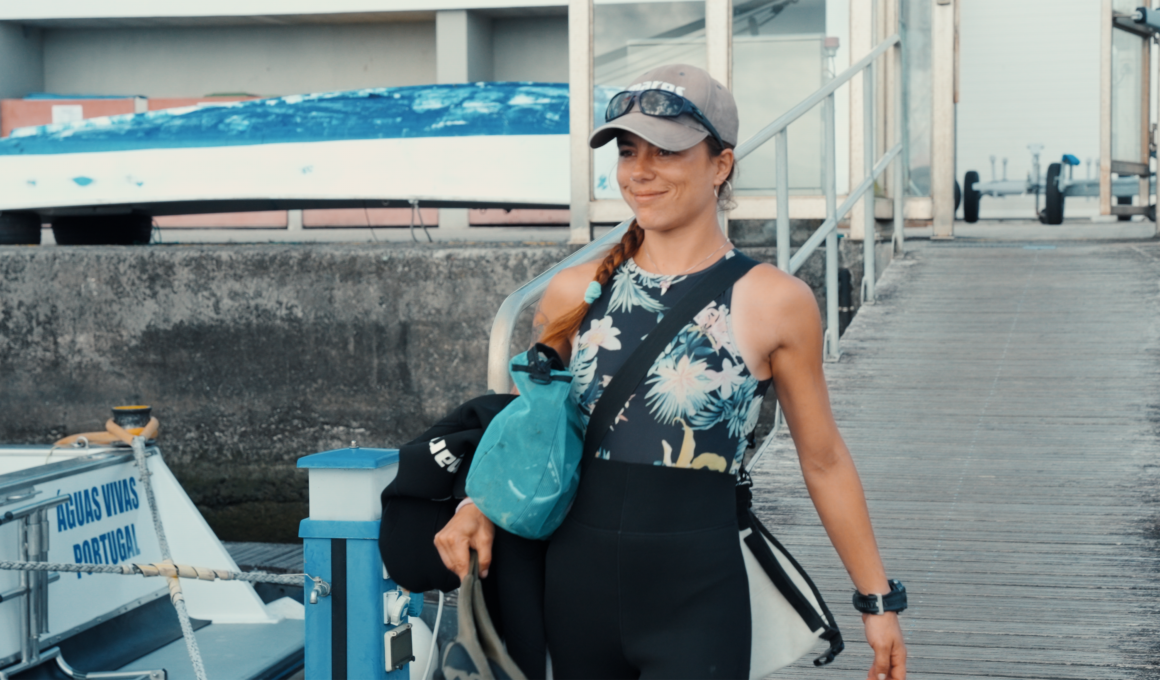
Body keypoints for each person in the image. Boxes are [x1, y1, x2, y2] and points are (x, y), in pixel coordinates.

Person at [435, 64, 906, 680]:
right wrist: (481, 503)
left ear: (722, 164)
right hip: (574, 590)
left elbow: (823, 459)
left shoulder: (774, 301)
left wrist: (877, 601)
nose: (641, 172)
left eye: (667, 152)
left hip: (698, 597)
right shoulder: (573, 291)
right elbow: (538, 429)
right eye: (629, 151)